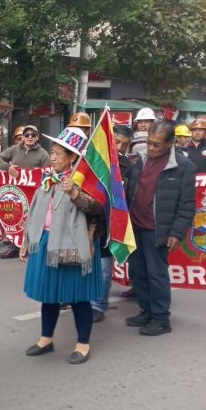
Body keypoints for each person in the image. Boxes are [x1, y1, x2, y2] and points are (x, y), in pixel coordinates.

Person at [21, 127, 104, 364]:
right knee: (49, 295)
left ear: (72, 158)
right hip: (46, 242)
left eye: (59, 153)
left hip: (73, 246)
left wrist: (75, 193)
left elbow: (97, 208)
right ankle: (46, 339)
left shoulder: (83, 179)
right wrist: (28, 240)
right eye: (53, 152)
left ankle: (83, 344)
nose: (53, 156)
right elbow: (37, 210)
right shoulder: (48, 178)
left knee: (78, 297)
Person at [124, 121, 196, 336]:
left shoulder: (183, 166)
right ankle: (146, 311)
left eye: (156, 145)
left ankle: (161, 318)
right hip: (134, 226)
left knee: (157, 275)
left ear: (169, 143)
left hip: (158, 230)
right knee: (138, 272)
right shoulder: (141, 160)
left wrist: (177, 233)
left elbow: (187, 205)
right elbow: (131, 190)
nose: (151, 148)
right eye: (149, 143)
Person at [91, 125, 133, 322]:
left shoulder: (129, 167)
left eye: (125, 144)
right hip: (88, 223)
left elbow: (131, 197)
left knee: (104, 270)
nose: (120, 147)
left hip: (109, 226)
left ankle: (99, 306)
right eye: (116, 141)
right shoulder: (92, 161)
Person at [0, 125, 50, 258]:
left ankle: (32, 246)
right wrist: (7, 167)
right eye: (27, 135)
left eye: (33, 135)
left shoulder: (43, 154)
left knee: (33, 220)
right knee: (16, 219)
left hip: (34, 193)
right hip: (16, 194)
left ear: (37, 137)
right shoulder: (14, 149)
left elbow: (48, 173)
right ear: (23, 137)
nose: (30, 137)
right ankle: (14, 247)